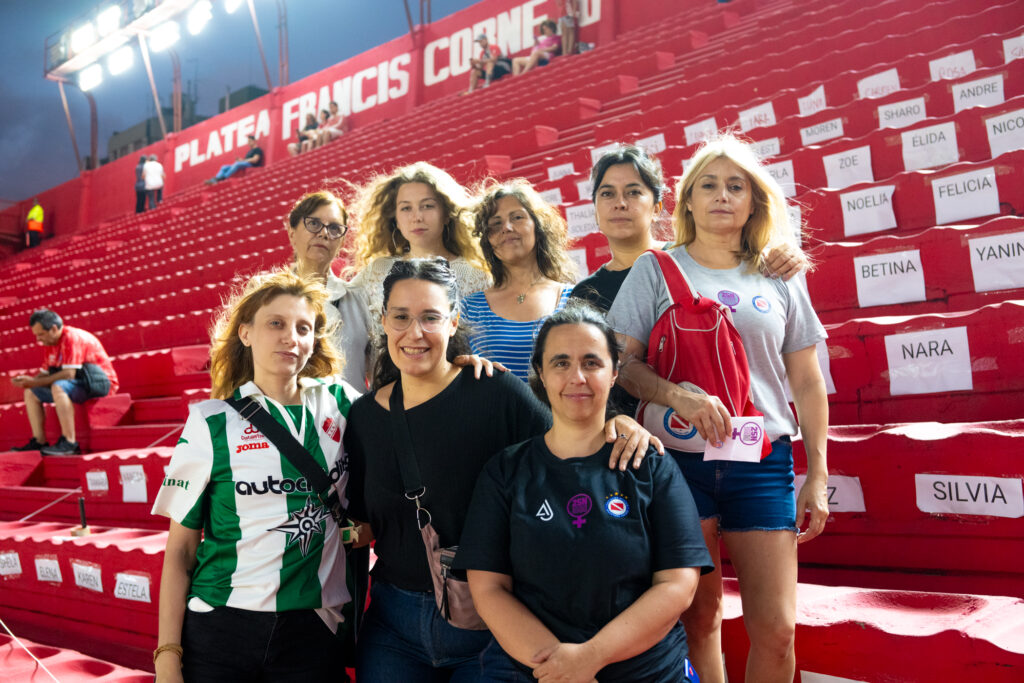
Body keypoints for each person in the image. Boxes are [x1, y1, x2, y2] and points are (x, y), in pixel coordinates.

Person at [344, 258, 661, 682]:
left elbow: (568, 443)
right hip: (393, 623)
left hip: (493, 621)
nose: (414, 332)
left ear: (454, 320)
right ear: (383, 321)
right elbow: (363, 524)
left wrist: (615, 424)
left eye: (431, 317)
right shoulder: (364, 417)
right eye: (401, 317)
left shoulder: (493, 391)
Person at [608, 134, 830, 683]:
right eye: (708, 185)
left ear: (755, 201)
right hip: (679, 461)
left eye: (736, 186)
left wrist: (818, 473)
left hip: (763, 461)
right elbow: (622, 366)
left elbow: (806, 378)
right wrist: (677, 394)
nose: (722, 196)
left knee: (777, 631)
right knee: (700, 618)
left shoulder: (780, 273)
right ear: (686, 200)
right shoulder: (654, 270)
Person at [456, 303, 714, 681]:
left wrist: (588, 659)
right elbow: (490, 589)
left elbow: (677, 584)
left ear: (613, 374)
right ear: (541, 374)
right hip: (534, 670)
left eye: (592, 362)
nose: (577, 376)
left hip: (646, 671)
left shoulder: (652, 465)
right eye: (560, 363)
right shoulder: (505, 471)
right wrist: (560, 670)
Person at [152, 269, 361, 683]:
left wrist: (462, 366)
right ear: (245, 333)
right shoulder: (210, 421)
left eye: (304, 327)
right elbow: (180, 551)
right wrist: (167, 656)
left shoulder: (342, 402)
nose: (292, 337)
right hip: (219, 630)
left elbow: (414, 402)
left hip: (312, 631)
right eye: (276, 324)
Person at [572, 145, 806, 314]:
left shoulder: (691, 263)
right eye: (607, 194)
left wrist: (781, 253)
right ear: (595, 211)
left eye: (634, 192)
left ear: (656, 208)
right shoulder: (584, 294)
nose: (620, 203)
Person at [348, 162, 491, 340]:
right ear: (396, 220)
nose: (417, 217)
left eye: (427, 206)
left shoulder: (476, 276)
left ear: (447, 214)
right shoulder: (376, 271)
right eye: (406, 208)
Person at [461, 179, 577, 381]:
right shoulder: (469, 308)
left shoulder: (572, 297)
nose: (506, 227)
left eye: (517, 217)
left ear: (538, 226)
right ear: (487, 239)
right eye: (495, 224)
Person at [285, 190, 372, 390]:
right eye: (313, 223)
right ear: (292, 233)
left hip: (351, 417)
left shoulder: (358, 299)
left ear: (341, 241)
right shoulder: (264, 294)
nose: (324, 233)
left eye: (334, 228)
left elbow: (378, 370)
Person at [11, 309, 119, 456]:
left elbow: (69, 374)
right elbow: (45, 373)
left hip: (99, 383)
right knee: (31, 392)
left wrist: (33, 382)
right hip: (78, 382)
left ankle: (69, 443)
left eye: (41, 334)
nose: (38, 339)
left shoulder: (72, 337)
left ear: (54, 329)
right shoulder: (50, 343)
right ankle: (39, 441)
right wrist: (28, 382)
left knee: (58, 386)